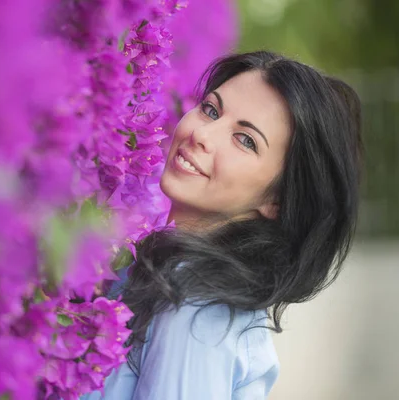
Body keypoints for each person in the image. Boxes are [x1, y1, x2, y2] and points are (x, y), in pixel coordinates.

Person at [81, 51, 363, 400]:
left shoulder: (194, 309)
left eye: (245, 140)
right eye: (211, 109)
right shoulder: (171, 278)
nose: (203, 133)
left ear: (276, 200)